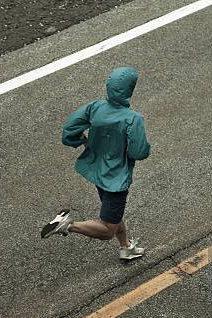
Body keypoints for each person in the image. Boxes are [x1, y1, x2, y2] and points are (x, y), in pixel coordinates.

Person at [41, 67, 151, 261]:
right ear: (129, 90)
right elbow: (139, 152)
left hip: (97, 172)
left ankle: (126, 247)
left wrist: (81, 141)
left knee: (114, 213)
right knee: (107, 228)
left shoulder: (95, 107)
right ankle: (67, 224)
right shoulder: (133, 119)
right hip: (115, 179)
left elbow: (69, 130)